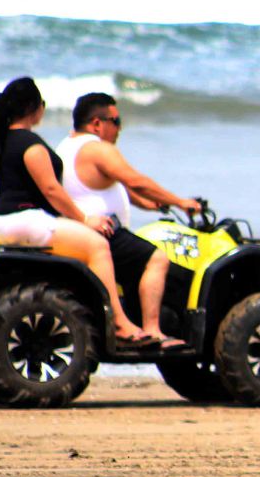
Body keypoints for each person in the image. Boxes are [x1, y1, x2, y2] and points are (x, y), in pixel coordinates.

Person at [0, 77, 151, 344]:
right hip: (23, 220)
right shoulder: (31, 144)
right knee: (97, 246)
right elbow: (51, 190)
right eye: (43, 105)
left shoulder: (4, 140)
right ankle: (119, 322)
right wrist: (85, 219)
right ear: (34, 108)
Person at [56, 92, 203, 348]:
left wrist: (149, 203)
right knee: (156, 258)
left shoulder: (66, 147)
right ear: (97, 123)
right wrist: (181, 202)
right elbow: (135, 180)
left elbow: (102, 186)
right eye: (116, 120)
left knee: (138, 262)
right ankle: (153, 331)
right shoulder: (97, 148)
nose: (119, 128)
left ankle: (134, 322)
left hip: (78, 231)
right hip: (103, 232)